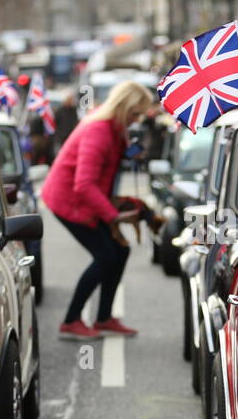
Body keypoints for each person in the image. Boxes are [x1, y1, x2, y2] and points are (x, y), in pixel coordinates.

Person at [41, 80, 157, 340]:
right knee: (106, 255)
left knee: (121, 250)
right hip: (69, 201)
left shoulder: (114, 128)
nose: (136, 120)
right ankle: (71, 320)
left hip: (86, 199)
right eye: (135, 113)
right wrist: (113, 217)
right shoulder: (99, 130)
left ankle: (104, 318)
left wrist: (130, 154)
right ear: (124, 107)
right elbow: (84, 184)